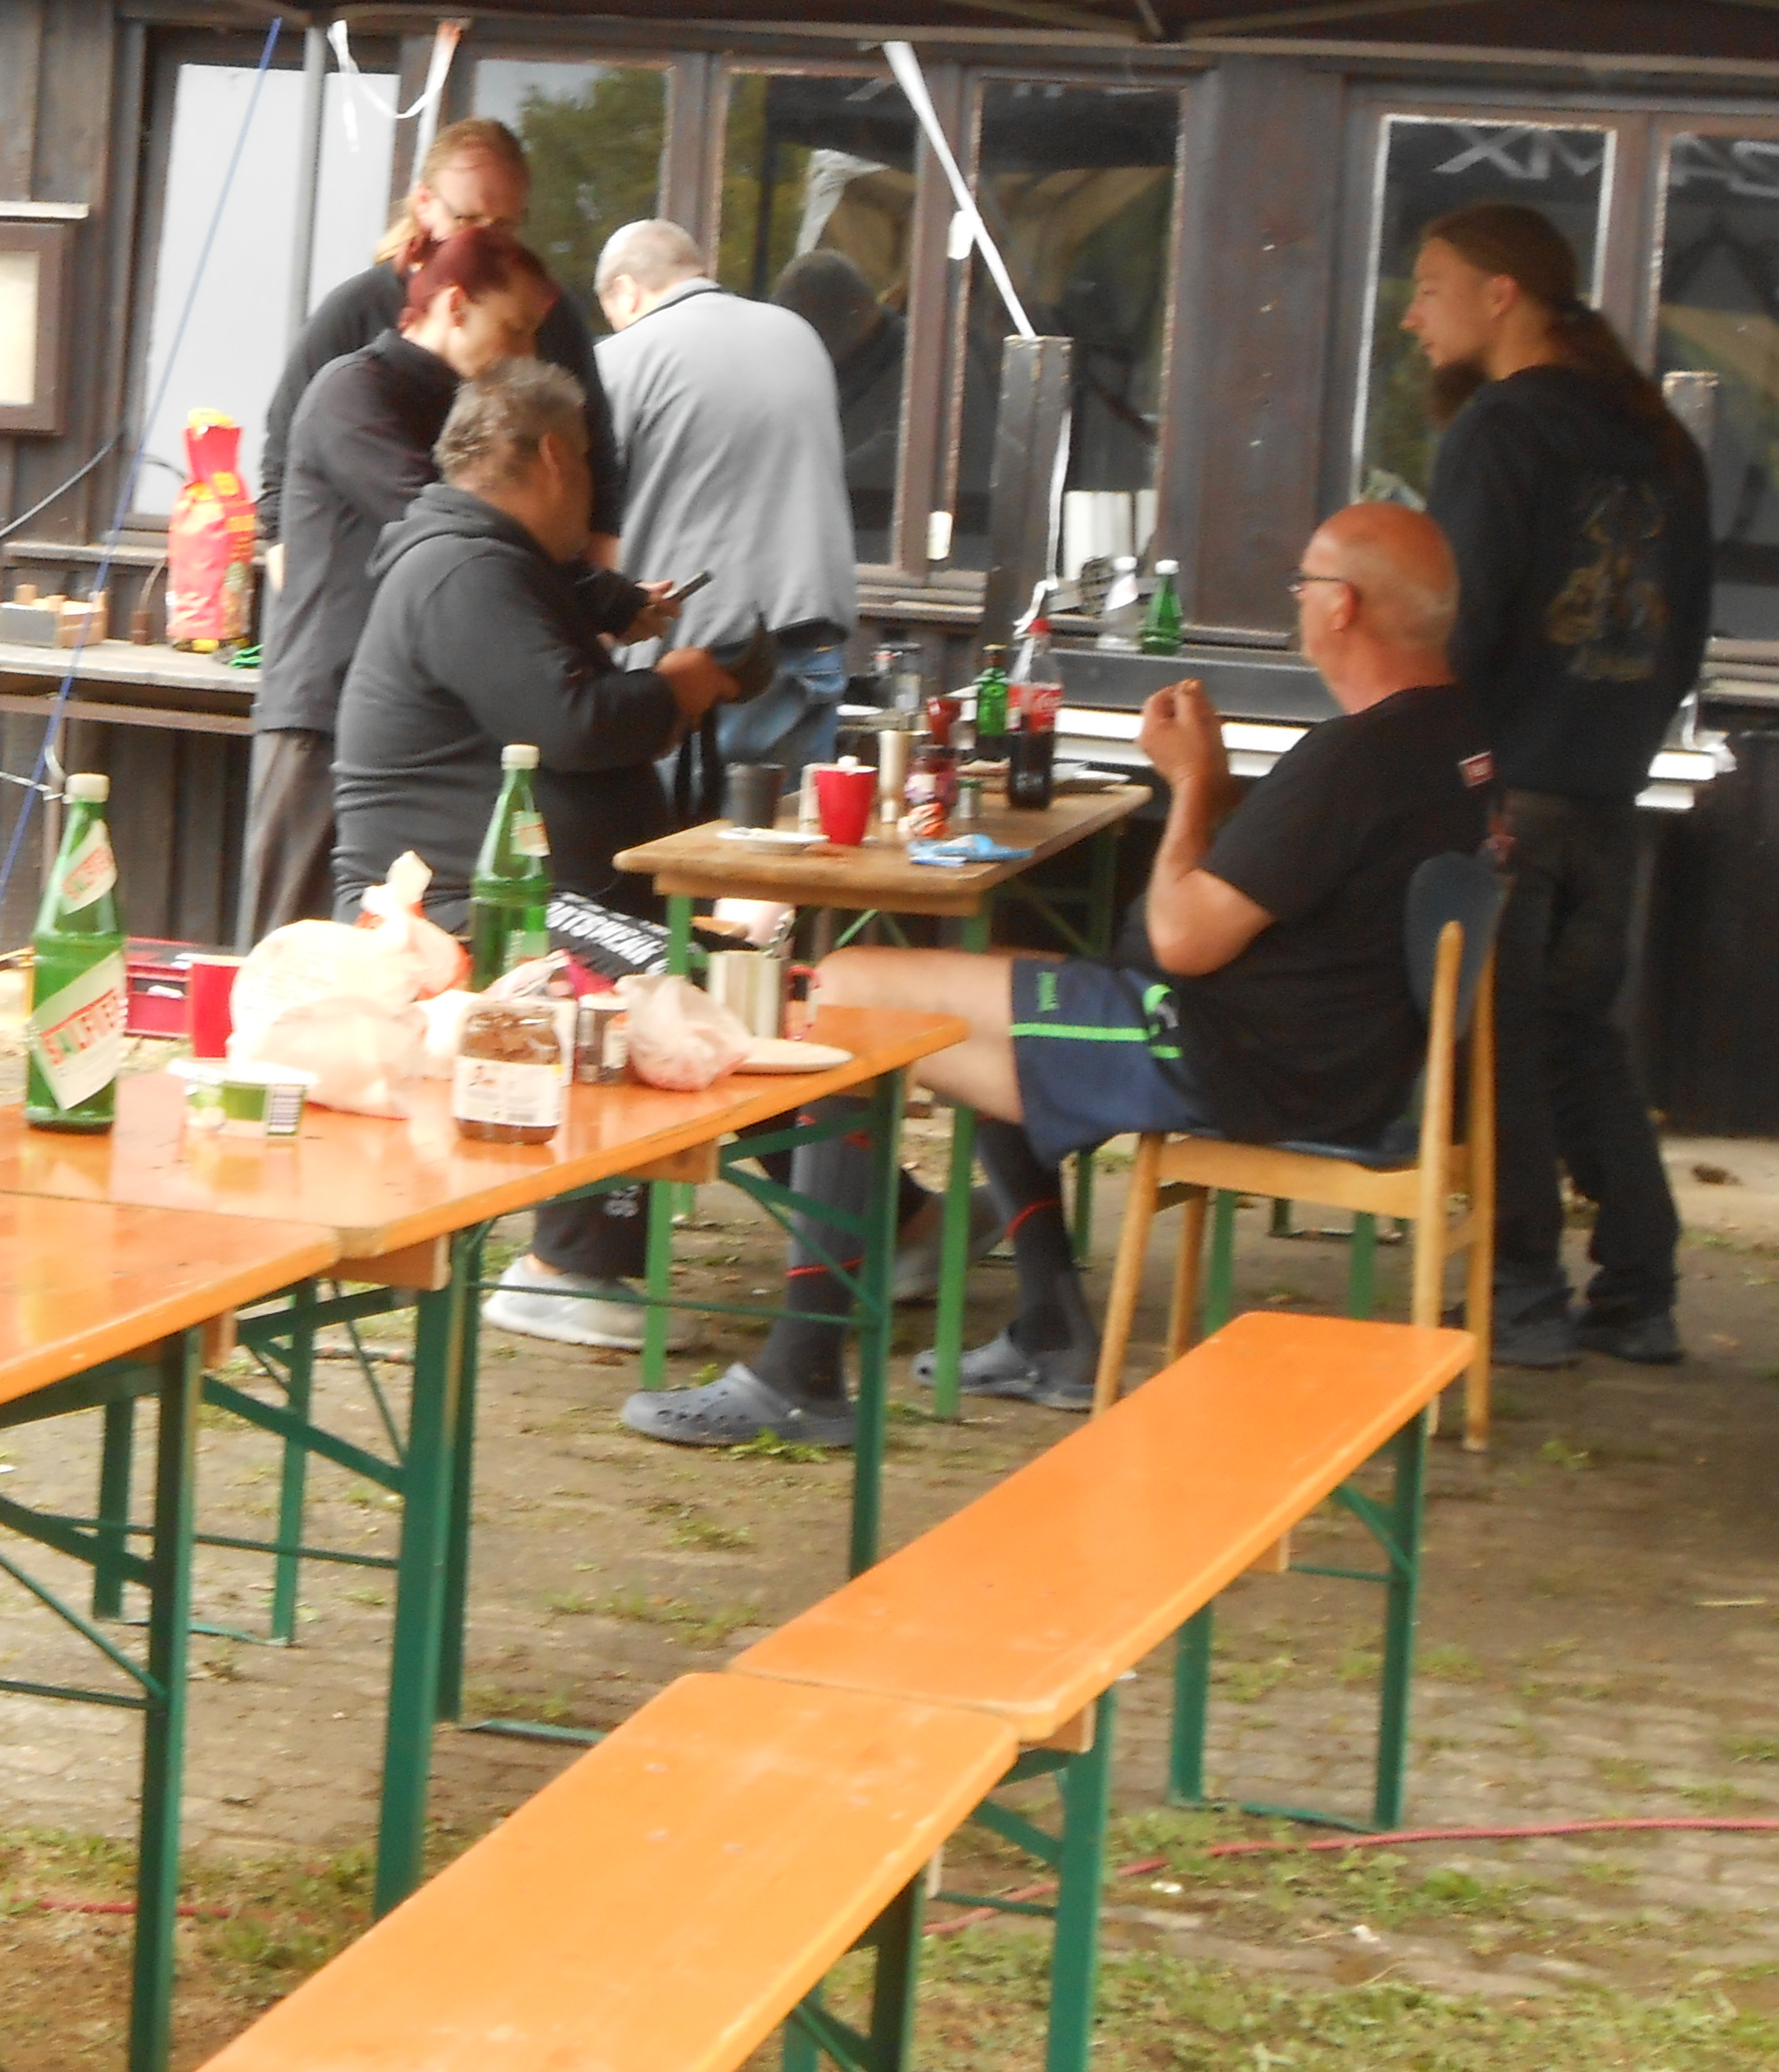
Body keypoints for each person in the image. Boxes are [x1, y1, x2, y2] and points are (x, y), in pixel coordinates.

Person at [619, 507, 1493, 1444]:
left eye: (1303, 586)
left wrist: (1192, 785)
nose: (1298, 604)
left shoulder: (1355, 757)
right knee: (984, 990)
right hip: (1330, 1062)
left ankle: (802, 1373)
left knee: (848, 988)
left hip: (1223, 1055)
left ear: (1343, 606)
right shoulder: (1460, 740)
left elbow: (1184, 939)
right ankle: (1051, 1328)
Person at [328, 370, 752, 1344]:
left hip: (536, 892)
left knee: (740, 984)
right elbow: (571, 724)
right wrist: (682, 687)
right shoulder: (463, 571)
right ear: (556, 457)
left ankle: (887, 1227)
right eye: (591, 467)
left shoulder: (493, 562)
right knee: (677, 985)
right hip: (455, 906)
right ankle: (571, 1264)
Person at [1409, 202, 1712, 1370]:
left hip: (1513, 789)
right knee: (1580, 1040)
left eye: (1430, 287)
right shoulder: (1658, 435)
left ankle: (1520, 1291)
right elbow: (1686, 635)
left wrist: (1441, 767)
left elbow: (1464, 619)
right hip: (1609, 790)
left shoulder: (1500, 428)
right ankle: (1641, 1289)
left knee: (1499, 1047)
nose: (1412, 315)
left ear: (1501, 295)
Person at [245, 226, 599, 934]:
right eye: (515, 329)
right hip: (323, 708)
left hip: (405, 725)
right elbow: (449, 524)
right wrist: (605, 597)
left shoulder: (452, 405)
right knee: (290, 953)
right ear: (456, 306)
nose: (528, 354)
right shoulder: (353, 389)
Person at [255, 114, 620, 568]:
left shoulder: (551, 315)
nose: (483, 239)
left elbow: (595, 459)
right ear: (425, 204)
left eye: (503, 225)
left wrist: (602, 592)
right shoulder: (353, 318)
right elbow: (281, 472)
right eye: (467, 218)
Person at [594, 218, 858, 785]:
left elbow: (586, 513)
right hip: (809, 645)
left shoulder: (622, 358)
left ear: (625, 291)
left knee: (683, 840)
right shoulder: (798, 337)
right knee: (786, 835)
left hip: (693, 662)